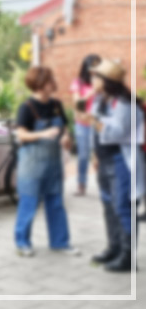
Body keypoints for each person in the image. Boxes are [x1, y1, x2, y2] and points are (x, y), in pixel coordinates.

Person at [14, 66, 79, 257]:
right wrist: (44, 133)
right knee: (29, 204)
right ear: (40, 84)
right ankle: (22, 242)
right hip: (31, 166)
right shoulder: (27, 108)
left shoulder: (56, 105)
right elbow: (22, 135)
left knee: (56, 203)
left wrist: (66, 138)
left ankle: (60, 242)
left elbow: (64, 129)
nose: (53, 83)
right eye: (49, 80)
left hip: (53, 164)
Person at [87, 58, 145, 272]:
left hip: (122, 162)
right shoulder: (101, 100)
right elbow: (98, 131)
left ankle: (128, 257)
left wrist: (97, 123)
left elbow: (117, 133)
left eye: (96, 76)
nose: (92, 79)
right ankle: (114, 248)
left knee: (123, 208)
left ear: (106, 80)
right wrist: (95, 154)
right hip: (104, 161)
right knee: (109, 207)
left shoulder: (125, 103)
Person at [70, 54, 101, 195]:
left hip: (97, 124)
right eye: (93, 68)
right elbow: (78, 103)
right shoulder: (78, 83)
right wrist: (92, 91)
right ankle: (81, 184)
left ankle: (104, 184)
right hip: (82, 124)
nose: (95, 72)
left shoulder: (103, 83)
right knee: (83, 155)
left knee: (100, 154)